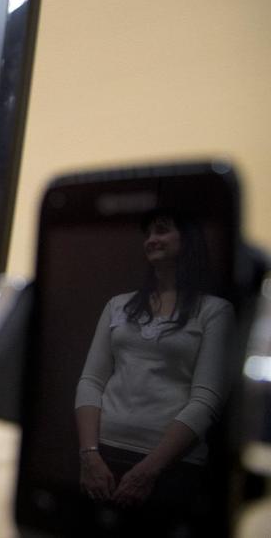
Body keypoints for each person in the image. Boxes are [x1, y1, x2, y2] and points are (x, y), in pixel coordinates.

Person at [74, 210, 234, 531]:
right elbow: (91, 382)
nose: (151, 240)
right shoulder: (118, 305)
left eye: (161, 231)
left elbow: (207, 399)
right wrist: (89, 454)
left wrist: (150, 469)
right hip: (103, 455)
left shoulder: (215, 311)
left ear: (188, 240)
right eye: (147, 235)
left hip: (174, 464)